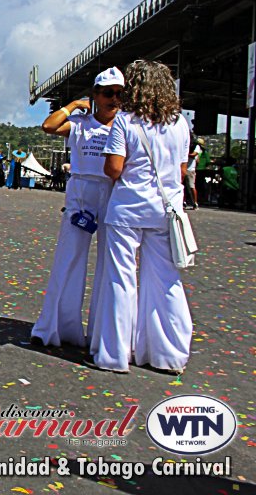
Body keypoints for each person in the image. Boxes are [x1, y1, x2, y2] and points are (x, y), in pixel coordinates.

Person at [88, 59, 192, 374]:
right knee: (165, 280)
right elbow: (182, 171)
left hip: (127, 210)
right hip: (164, 211)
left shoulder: (125, 122)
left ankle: (115, 355)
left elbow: (114, 168)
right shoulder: (180, 124)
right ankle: (168, 354)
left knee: (121, 281)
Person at [30, 67, 123, 349]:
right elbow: (48, 126)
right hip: (82, 193)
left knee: (110, 266)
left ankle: (102, 333)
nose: (114, 99)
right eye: (108, 93)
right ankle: (56, 327)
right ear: (95, 95)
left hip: (112, 191)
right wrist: (71, 106)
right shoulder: (81, 124)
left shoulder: (126, 125)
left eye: (119, 94)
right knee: (68, 260)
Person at [183, 135, 204, 209]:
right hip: (183, 167)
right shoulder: (185, 144)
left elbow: (194, 154)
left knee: (191, 186)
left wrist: (186, 154)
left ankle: (195, 202)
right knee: (183, 187)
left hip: (190, 169)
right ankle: (183, 202)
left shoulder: (196, 146)